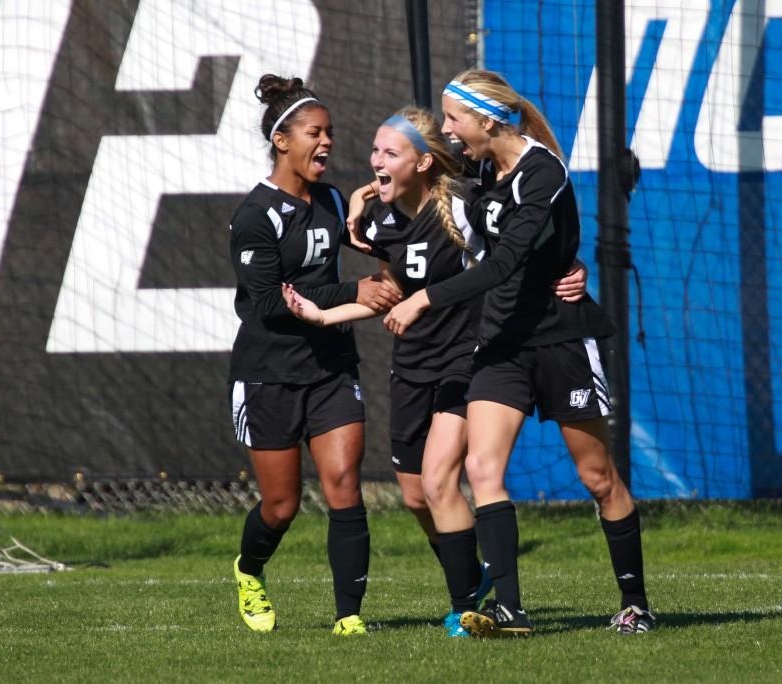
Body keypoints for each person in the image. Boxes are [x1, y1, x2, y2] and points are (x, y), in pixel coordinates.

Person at [282, 106, 587, 637]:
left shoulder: (465, 205)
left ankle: (463, 605)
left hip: (467, 358)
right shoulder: (375, 217)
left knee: (441, 478)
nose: (375, 160)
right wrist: (325, 313)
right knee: (416, 493)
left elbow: (516, 254)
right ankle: (476, 578)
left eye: (390, 152)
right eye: (375, 150)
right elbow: (392, 294)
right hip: (412, 364)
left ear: (424, 163)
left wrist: (569, 267)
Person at [383, 70, 654, 637]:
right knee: (482, 469)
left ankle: (635, 603)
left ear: (487, 120)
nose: (447, 130)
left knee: (598, 477)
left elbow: (504, 263)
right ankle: (509, 610)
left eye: (455, 118)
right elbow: (422, 175)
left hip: (559, 336)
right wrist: (366, 202)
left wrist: (424, 300)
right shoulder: (482, 166)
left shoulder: (543, 172)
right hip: (502, 340)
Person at [227, 74, 402, 637]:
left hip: (331, 368)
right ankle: (249, 569)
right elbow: (270, 304)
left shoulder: (330, 199)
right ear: (283, 140)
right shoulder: (255, 215)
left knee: (344, 485)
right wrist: (354, 292)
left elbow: (390, 246)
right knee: (280, 507)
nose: (326, 142)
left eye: (330, 133)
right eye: (314, 132)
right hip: (268, 374)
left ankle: (349, 617)